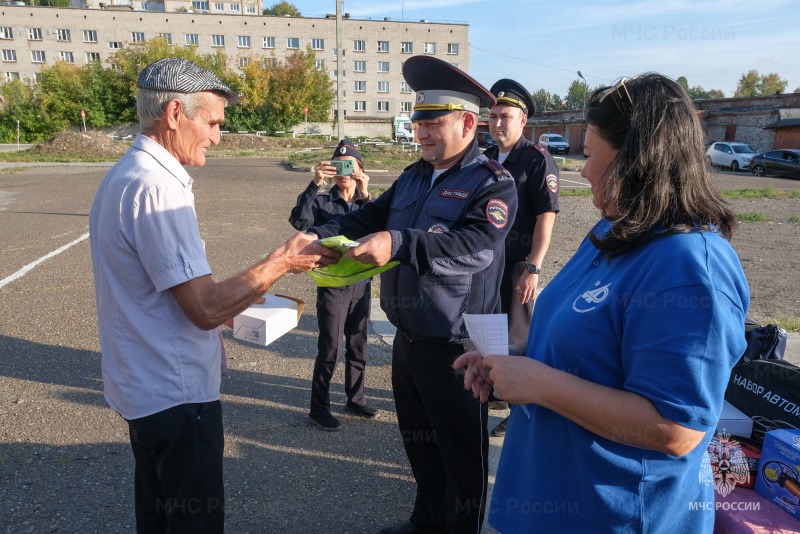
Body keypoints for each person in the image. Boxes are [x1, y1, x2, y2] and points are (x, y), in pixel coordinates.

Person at [454, 74, 749, 533]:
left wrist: (539, 383)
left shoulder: (689, 269)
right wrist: (510, 365)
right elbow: (581, 347)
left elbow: (676, 429)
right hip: (552, 499)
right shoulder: (613, 232)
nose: (584, 170)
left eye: (590, 155)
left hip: (616, 516)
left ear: (637, 158)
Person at [89, 57, 338, 534]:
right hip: (176, 396)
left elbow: (165, 290)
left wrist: (236, 300)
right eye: (213, 122)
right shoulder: (159, 188)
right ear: (176, 113)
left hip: (144, 388)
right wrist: (282, 261)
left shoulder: (124, 174)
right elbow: (202, 309)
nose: (218, 137)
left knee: (159, 518)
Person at [296, 55, 518, 534]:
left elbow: (475, 247)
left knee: (461, 458)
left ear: (467, 123)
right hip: (409, 339)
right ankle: (425, 524)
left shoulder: (493, 183)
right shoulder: (416, 174)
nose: (421, 135)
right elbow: (370, 217)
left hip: (459, 346)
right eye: (418, 124)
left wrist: (399, 243)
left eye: (432, 125)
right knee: (420, 447)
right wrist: (325, 234)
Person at [484, 78, 560, 437]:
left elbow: (547, 217)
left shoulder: (537, 161)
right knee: (489, 332)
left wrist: (533, 267)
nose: (498, 122)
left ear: (523, 121)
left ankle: (520, 410)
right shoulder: (483, 159)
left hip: (517, 266)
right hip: (486, 263)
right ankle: (495, 391)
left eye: (506, 116)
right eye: (493, 115)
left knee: (517, 337)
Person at [289, 139, 379, 431]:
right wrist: (315, 183)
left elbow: (382, 228)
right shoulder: (323, 201)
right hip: (332, 284)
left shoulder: (368, 203)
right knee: (330, 347)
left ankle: (356, 397)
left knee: (358, 343)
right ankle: (319, 408)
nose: (343, 171)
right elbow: (299, 221)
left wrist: (366, 194)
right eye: (337, 165)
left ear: (360, 169)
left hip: (361, 282)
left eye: (349, 165)